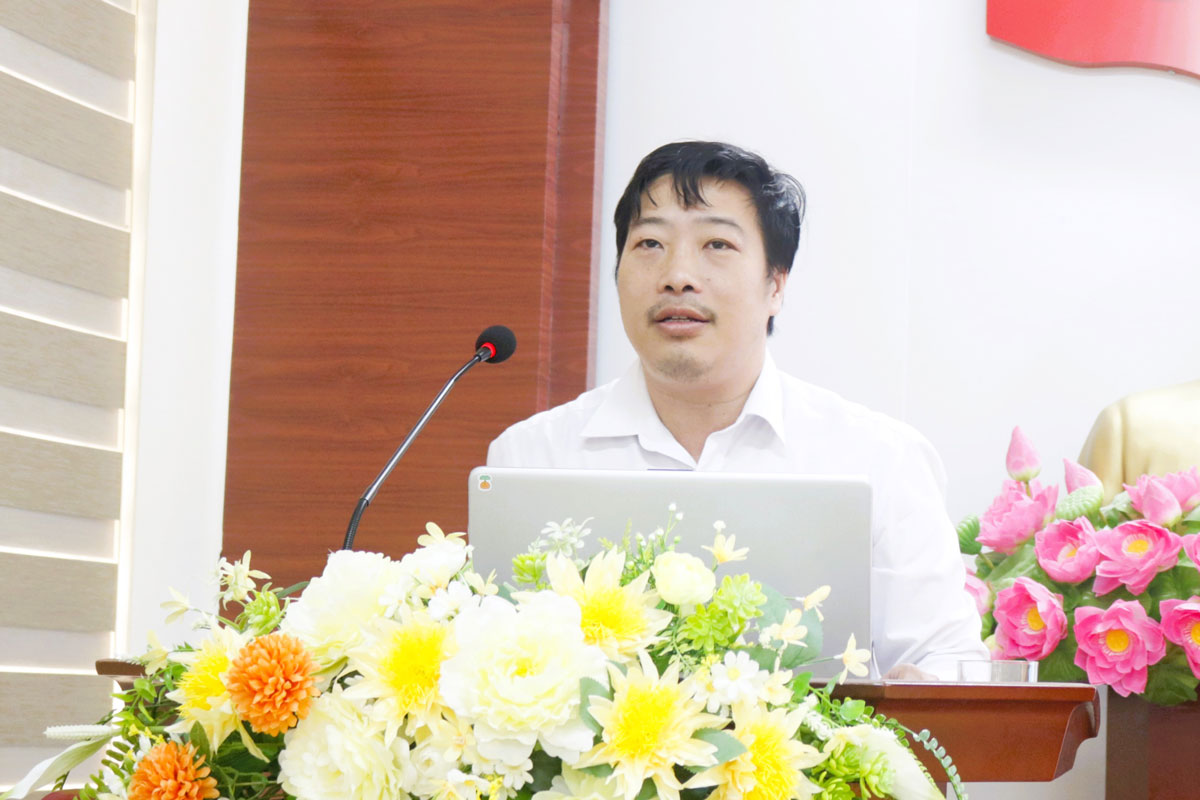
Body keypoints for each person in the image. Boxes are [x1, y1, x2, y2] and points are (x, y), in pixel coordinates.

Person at [487, 141, 986, 680]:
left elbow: (949, 665)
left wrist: (913, 697)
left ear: (775, 284)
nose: (678, 275)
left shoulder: (879, 459)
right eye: (650, 242)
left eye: (717, 244)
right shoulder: (533, 456)